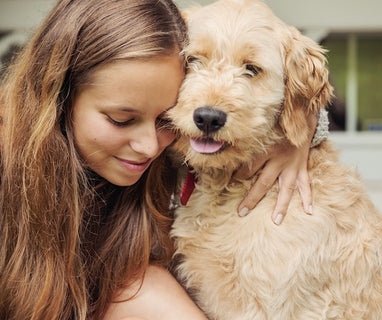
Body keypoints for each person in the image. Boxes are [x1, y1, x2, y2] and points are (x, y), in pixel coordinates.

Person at [0, 0, 318, 319]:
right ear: (58, 95)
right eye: (121, 120)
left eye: (167, 120)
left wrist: (300, 135)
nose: (150, 147)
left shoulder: (182, 153)